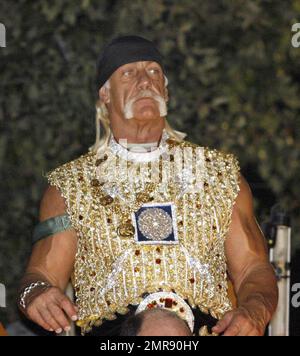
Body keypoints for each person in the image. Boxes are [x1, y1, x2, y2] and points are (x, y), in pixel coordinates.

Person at [18, 36, 278, 336]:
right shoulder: (71, 186)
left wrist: (254, 312)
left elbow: (253, 270)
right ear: (105, 94)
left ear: (165, 90)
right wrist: (35, 295)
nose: (145, 81)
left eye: (154, 72)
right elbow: (38, 276)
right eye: (128, 73)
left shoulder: (219, 176)